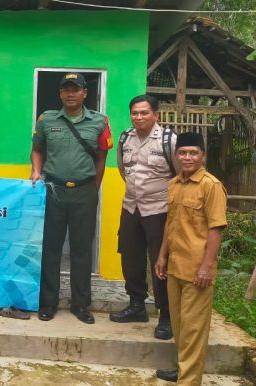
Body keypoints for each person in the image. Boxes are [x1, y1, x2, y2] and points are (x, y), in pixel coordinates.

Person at [31, 72, 112, 324]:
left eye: (75, 89)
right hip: (53, 190)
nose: (70, 93)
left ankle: (80, 305)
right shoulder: (46, 119)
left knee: (81, 249)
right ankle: (48, 303)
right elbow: (37, 149)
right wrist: (36, 171)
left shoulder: (99, 121)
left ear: (85, 93)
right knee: (51, 248)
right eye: (66, 89)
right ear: (60, 93)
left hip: (84, 192)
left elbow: (102, 156)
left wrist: (94, 186)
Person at [155, 132, 227, 385]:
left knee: (194, 329)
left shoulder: (211, 186)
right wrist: (162, 255)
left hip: (197, 269)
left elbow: (216, 228)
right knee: (180, 325)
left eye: (193, 153)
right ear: (176, 156)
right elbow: (170, 223)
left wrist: (207, 266)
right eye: (183, 153)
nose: (187, 157)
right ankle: (182, 369)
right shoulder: (174, 183)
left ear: (203, 156)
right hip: (175, 265)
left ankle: (189, 380)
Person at [111, 95, 177, 340]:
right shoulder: (125, 138)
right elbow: (122, 169)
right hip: (131, 208)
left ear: (156, 114)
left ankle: (167, 316)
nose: (138, 117)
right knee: (130, 257)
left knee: (161, 264)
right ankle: (136, 305)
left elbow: (180, 176)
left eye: (144, 113)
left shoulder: (169, 140)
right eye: (135, 113)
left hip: (159, 211)